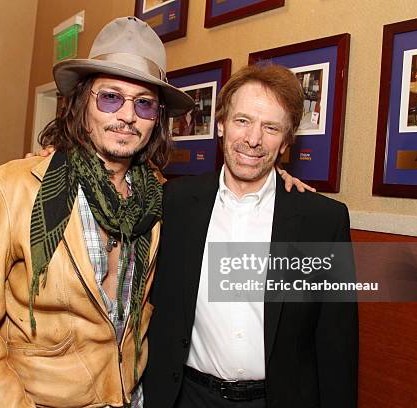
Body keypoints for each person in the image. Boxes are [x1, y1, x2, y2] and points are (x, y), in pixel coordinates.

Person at [0, 16, 195, 408]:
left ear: (156, 121)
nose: (127, 116)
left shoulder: (160, 197)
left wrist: (272, 179)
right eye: (111, 97)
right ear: (83, 103)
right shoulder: (12, 189)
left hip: (132, 396)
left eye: (145, 104)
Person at [144, 64, 358, 407]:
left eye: (270, 127)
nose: (253, 139)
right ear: (221, 124)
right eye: (242, 121)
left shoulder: (321, 221)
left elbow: (336, 343)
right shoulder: (175, 203)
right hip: (185, 397)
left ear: (286, 141)